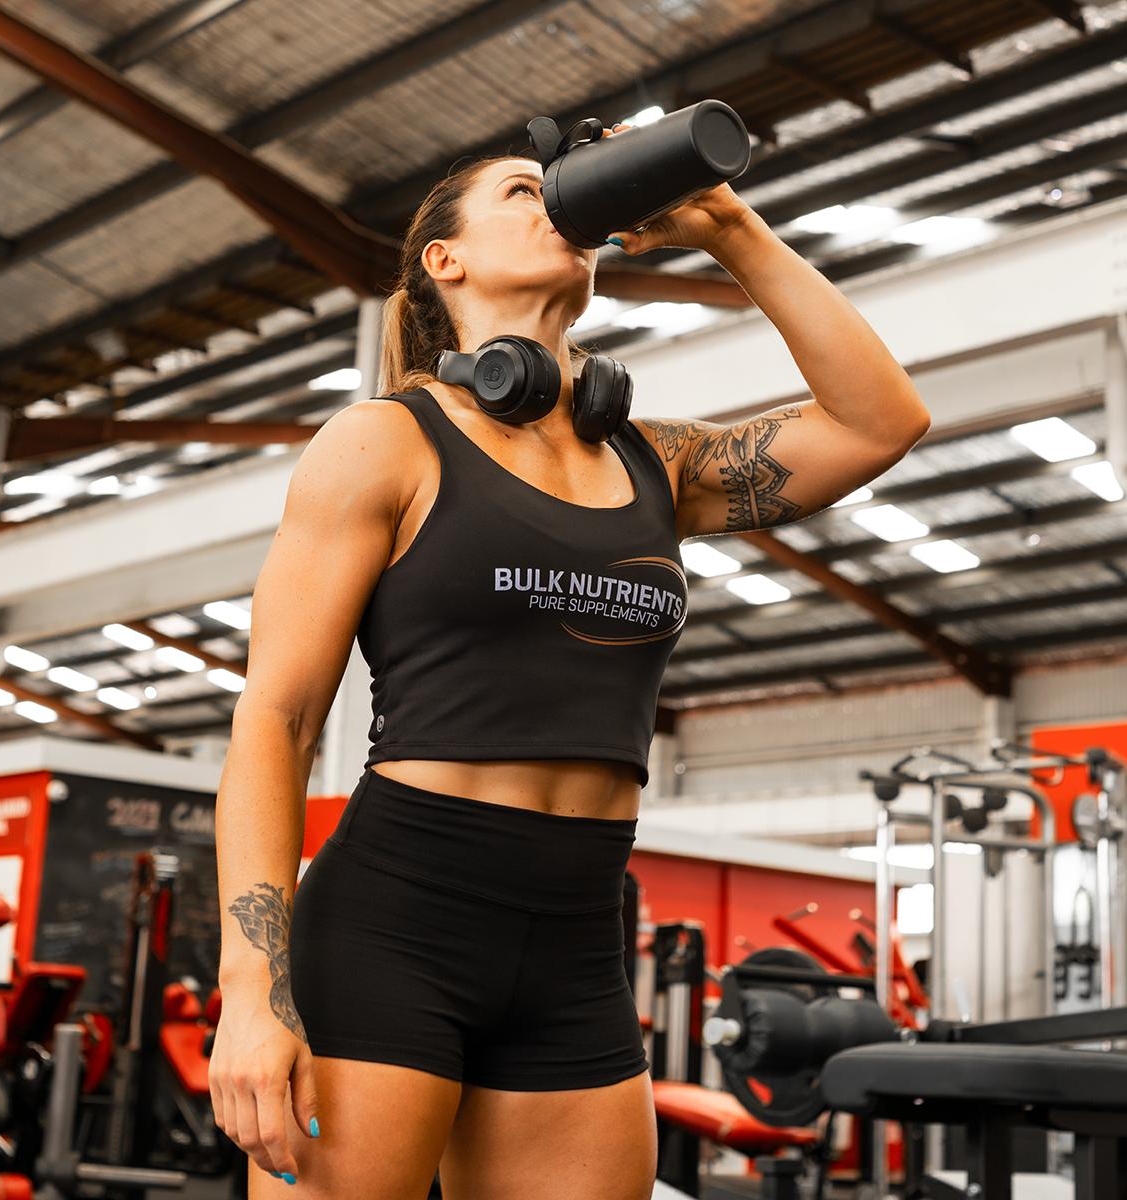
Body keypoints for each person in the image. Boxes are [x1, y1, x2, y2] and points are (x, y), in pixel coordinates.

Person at [211, 120, 931, 1199]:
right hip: (395, 921)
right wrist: (250, 992)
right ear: (443, 261)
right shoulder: (383, 443)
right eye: (516, 189)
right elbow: (275, 720)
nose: (551, 199)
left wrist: (729, 227)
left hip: (580, 935)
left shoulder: (658, 460)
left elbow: (881, 421)